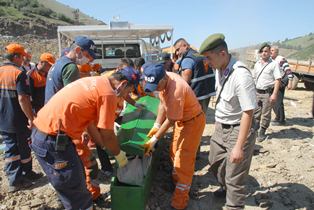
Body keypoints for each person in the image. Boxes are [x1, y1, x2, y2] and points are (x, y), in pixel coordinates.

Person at [30, 70, 135, 209]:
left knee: (76, 179)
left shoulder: (96, 81)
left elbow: (90, 124)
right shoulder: (108, 93)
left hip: (44, 133)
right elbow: (108, 134)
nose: (125, 96)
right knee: (75, 190)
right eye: (127, 92)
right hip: (53, 140)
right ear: (123, 84)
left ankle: (77, 201)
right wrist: (119, 155)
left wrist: (103, 146)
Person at [199, 33, 257, 210]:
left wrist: (239, 146)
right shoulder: (220, 69)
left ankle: (234, 205)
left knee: (235, 176)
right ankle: (225, 188)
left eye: (209, 58)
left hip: (238, 128)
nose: (207, 63)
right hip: (221, 127)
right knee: (215, 162)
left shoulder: (240, 75)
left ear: (222, 53)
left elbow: (248, 112)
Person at [143, 63, 206, 209]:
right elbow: (162, 104)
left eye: (156, 86)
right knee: (174, 151)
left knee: (183, 160)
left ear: (163, 79)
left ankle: (180, 201)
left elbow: (171, 119)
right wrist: (156, 126)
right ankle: (176, 181)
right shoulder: (165, 80)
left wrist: (155, 139)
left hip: (192, 122)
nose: (156, 90)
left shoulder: (176, 90)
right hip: (182, 121)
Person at [0, 43, 42, 192]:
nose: (23, 59)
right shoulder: (18, 73)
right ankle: (15, 180)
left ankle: (27, 172)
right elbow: (23, 99)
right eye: (22, 56)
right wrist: (31, 117)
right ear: (16, 56)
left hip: (4, 118)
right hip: (16, 118)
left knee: (22, 146)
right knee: (13, 149)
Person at [45, 36, 96, 103]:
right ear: (78, 50)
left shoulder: (60, 62)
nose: (88, 60)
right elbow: (72, 98)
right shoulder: (70, 67)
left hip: (49, 108)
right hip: (60, 110)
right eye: (87, 56)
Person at [173, 38, 215, 115]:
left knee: (194, 120)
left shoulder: (187, 60)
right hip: (207, 92)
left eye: (178, 49)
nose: (177, 53)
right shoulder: (200, 55)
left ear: (185, 46)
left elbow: (184, 82)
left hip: (196, 94)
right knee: (202, 116)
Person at [253, 43, 281, 141]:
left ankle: (262, 132)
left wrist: (274, 94)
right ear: (260, 53)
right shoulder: (257, 64)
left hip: (267, 93)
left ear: (269, 52)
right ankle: (255, 130)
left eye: (266, 51)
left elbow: (278, 79)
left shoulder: (274, 64)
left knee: (266, 114)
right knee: (255, 113)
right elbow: (254, 78)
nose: (264, 53)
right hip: (256, 92)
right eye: (262, 51)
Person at [270, 45, 294, 125]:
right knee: (274, 101)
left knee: (278, 101)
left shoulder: (280, 59)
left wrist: (290, 82)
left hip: (282, 81)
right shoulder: (271, 60)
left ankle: (281, 120)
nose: (271, 52)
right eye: (270, 50)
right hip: (275, 82)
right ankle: (278, 117)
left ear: (277, 52)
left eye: (272, 50)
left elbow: (288, 70)